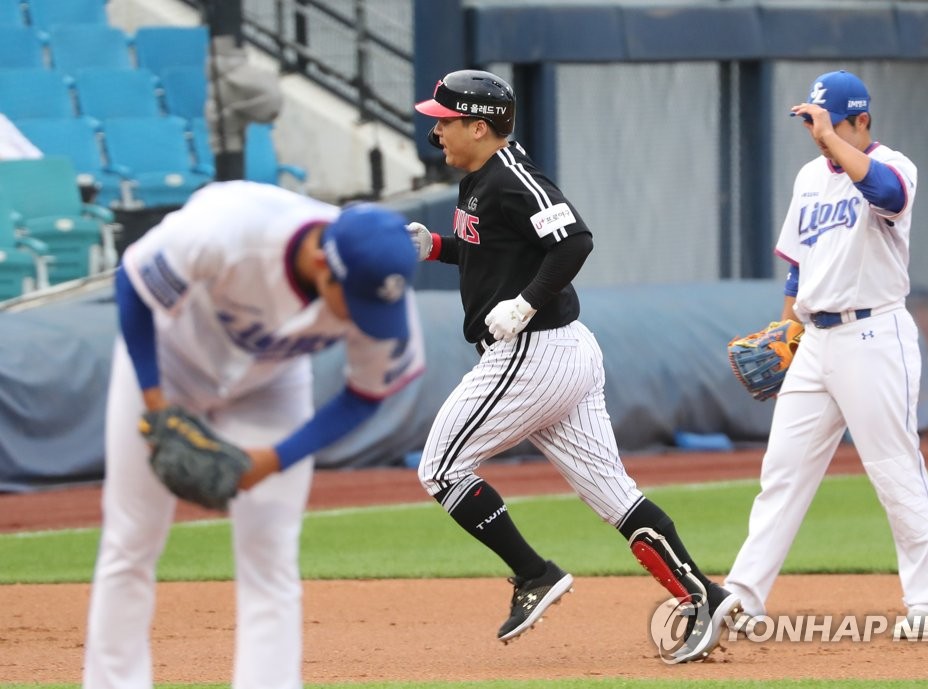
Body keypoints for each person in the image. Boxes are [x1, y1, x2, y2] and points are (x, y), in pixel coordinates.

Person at [408, 69, 739, 662]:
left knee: (441, 468)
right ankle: (703, 596)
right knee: (614, 494)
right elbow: (489, 251)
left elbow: (575, 241)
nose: (436, 132)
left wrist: (526, 302)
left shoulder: (511, 177)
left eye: (445, 121)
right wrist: (435, 246)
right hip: (561, 353)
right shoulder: (481, 179)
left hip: (534, 352)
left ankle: (534, 573)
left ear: (479, 126)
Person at [83, 181, 424, 689]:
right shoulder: (229, 226)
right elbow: (134, 283)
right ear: (323, 263)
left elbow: (366, 394)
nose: (361, 316)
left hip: (272, 383)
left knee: (272, 554)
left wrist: (274, 459)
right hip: (169, 362)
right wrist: (156, 405)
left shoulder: (378, 285)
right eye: (352, 301)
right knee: (130, 541)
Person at [724, 70, 928, 638]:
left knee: (894, 469)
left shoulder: (896, 165)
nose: (815, 132)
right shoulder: (809, 176)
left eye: (827, 121)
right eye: (810, 122)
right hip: (816, 341)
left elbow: (887, 195)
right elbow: (799, 262)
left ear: (862, 120)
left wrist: (833, 141)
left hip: (875, 335)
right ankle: (743, 597)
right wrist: (786, 329)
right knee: (782, 472)